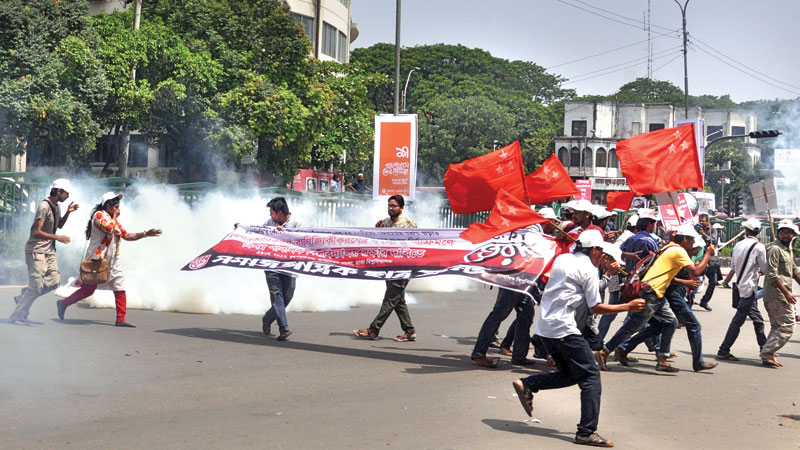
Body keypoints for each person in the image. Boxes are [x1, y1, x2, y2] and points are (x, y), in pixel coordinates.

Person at [511, 230, 645, 448]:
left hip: (546, 327)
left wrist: (606, 272)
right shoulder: (588, 270)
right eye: (600, 252)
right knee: (591, 377)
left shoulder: (563, 259)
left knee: (570, 374)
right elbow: (595, 307)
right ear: (594, 250)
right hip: (564, 328)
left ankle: (528, 384)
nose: (601, 257)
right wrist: (627, 307)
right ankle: (586, 432)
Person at [596, 224, 715, 372]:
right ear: (684, 239)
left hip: (655, 292)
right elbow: (696, 271)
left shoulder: (668, 247)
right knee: (632, 326)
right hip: (651, 292)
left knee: (670, 322)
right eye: (691, 240)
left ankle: (662, 360)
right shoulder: (678, 250)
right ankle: (604, 352)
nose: (692, 244)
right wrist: (708, 254)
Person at [57, 192, 161, 327]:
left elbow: (126, 235)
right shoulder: (99, 215)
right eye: (113, 202)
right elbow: (109, 228)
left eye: (118, 201)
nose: (117, 204)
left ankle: (121, 319)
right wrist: (115, 216)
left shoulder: (113, 218)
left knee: (120, 287)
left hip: (113, 259)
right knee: (88, 289)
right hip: (97, 259)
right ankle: (63, 303)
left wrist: (145, 234)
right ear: (106, 205)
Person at [10, 179, 78, 324]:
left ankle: (23, 297)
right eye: (66, 193)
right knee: (36, 287)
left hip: (49, 251)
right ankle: (17, 316)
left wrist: (68, 212)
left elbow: (58, 225)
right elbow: (36, 232)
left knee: (54, 282)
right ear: (58, 191)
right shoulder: (44, 206)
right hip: (36, 250)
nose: (67, 196)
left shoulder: (56, 207)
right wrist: (57, 238)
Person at [354, 195, 417, 341]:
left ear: (401, 207)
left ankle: (374, 329)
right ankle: (409, 330)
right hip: (389, 265)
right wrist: (378, 231)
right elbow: (380, 243)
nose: (391, 208)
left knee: (390, 298)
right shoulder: (385, 222)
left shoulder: (409, 224)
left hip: (403, 266)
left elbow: (414, 246)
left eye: (394, 206)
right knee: (397, 299)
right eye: (389, 205)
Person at [717, 218, 767, 361]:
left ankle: (765, 349)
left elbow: (733, 266)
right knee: (740, 321)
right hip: (749, 287)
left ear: (746, 230)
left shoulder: (738, 245)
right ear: (758, 232)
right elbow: (765, 268)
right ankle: (723, 350)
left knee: (756, 320)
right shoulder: (759, 247)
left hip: (741, 285)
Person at [261, 197, 303, 341]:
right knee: (277, 295)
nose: (270, 215)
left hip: (290, 266)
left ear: (279, 213)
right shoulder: (269, 223)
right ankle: (283, 328)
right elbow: (258, 235)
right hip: (272, 265)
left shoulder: (297, 223)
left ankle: (267, 318)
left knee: (286, 298)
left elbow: (303, 241)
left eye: (272, 212)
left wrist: (284, 233)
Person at [759, 219, 800, 368]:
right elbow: (772, 275)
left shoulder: (787, 250)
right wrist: (786, 293)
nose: (785, 234)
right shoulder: (775, 249)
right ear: (778, 233)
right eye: (783, 231)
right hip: (777, 293)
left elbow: (794, 271)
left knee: (777, 325)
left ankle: (768, 352)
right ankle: (767, 353)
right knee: (788, 325)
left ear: (793, 235)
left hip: (781, 293)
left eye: (788, 232)